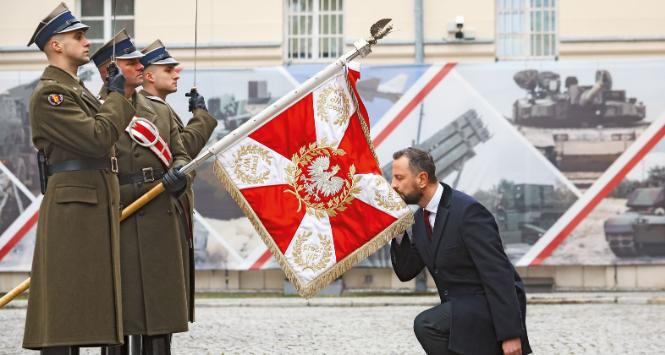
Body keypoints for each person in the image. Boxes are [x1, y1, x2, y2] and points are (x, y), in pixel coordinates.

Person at [23, 3, 136, 354]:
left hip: (89, 201)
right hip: (73, 207)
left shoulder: (74, 90)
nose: (87, 41)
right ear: (56, 45)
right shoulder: (51, 95)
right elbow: (98, 137)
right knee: (65, 308)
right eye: (78, 36)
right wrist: (117, 95)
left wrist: (118, 95)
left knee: (84, 303)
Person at [91, 30, 192, 355]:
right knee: (118, 318)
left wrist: (180, 174)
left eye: (138, 60)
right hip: (118, 218)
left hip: (159, 217)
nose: (139, 65)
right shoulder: (94, 111)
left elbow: (180, 152)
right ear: (110, 70)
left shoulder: (158, 111)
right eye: (130, 61)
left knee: (159, 315)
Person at [389, 147, 531, 355]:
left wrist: (510, 334)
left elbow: (498, 274)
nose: (393, 185)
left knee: (427, 324)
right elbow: (406, 271)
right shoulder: (420, 219)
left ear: (422, 179)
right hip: (460, 309)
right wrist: (398, 232)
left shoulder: (468, 212)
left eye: (399, 178)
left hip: (486, 306)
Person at [139, 39, 218, 323]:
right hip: (154, 212)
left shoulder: (160, 108)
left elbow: (181, 153)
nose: (177, 73)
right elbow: (177, 153)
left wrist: (200, 116)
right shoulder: (144, 108)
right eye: (169, 68)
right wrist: (201, 119)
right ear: (148, 75)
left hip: (170, 210)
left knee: (166, 304)